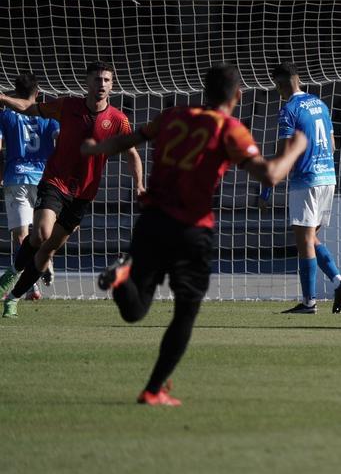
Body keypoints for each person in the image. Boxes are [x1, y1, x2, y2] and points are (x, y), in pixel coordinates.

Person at [82, 63, 305, 406]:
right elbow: (270, 175)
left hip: (152, 222)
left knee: (135, 310)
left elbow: (134, 138)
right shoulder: (228, 128)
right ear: (238, 95)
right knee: (184, 312)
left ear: (203, 90)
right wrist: (295, 147)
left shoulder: (173, 116)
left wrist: (100, 149)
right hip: (190, 230)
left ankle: (120, 277)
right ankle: (152, 389)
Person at [0, 61, 143, 318]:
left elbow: (132, 154)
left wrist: (140, 185)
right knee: (42, 233)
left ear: (112, 85)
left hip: (83, 194)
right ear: (87, 83)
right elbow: (30, 107)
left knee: (48, 250)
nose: (102, 85)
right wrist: (3, 98)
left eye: (107, 80)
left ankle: (13, 297)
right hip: (55, 181)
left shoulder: (118, 120)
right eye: (97, 80)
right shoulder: (67, 106)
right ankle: (13, 271)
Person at [266, 62, 341, 315]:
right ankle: (339, 283)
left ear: (279, 85)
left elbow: (282, 154)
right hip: (328, 177)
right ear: (298, 78)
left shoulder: (288, 110)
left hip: (307, 180)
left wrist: (267, 189)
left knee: (304, 242)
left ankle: (309, 302)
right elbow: (333, 145)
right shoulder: (320, 104)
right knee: (312, 238)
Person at [0, 73, 59, 304]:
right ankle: (47, 263)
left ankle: (31, 287)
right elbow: (61, 140)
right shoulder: (49, 115)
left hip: (16, 178)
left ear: (14, 93)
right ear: (38, 92)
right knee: (43, 233)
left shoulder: (6, 116)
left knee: (22, 236)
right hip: (44, 179)